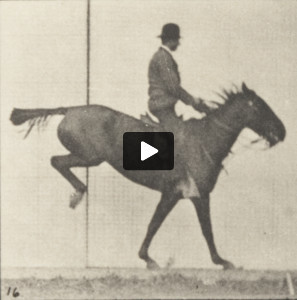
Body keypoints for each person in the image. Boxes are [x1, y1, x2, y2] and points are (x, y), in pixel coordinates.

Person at [147, 23, 215, 198]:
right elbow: (173, 87)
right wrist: (194, 102)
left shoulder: (163, 56)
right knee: (181, 136)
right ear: (171, 40)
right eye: (177, 40)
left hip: (165, 106)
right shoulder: (163, 58)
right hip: (162, 106)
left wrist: (196, 102)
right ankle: (177, 179)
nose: (179, 44)